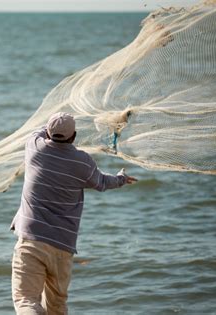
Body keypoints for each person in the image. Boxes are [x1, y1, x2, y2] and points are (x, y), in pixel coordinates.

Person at [10, 112, 137, 314]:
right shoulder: (82, 162)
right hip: (63, 246)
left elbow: (39, 130)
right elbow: (103, 182)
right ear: (74, 136)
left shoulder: (35, 147)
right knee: (56, 306)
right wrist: (121, 178)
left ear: (49, 133)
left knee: (26, 300)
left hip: (32, 240)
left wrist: (53, 124)